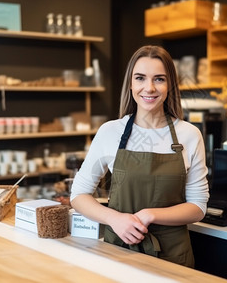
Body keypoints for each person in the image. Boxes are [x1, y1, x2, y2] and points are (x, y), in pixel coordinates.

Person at [70, 45, 209, 268]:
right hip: (120, 252)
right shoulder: (110, 132)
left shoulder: (189, 135)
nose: (149, 88)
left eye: (159, 79)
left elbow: (198, 206)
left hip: (173, 257)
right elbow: (78, 195)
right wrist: (114, 219)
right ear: (131, 84)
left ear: (170, 84)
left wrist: (150, 215)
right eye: (140, 78)